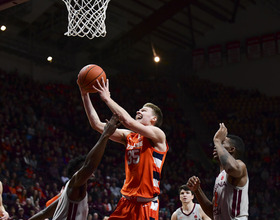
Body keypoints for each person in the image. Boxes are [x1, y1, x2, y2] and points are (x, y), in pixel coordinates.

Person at [79, 78, 169, 220]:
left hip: (145, 205)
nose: (139, 111)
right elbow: (96, 124)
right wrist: (84, 94)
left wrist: (107, 99)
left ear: (153, 119)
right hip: (126, 203)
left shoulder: (157, 134)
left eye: (144, 110)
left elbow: (127, 121)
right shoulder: (129, 136)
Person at [28, 115, 120, 220]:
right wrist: (105, 135)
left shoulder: (66, 193)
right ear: (77, 171)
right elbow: (89, 166)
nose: (92, 172)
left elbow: (45, 213)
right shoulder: (76, 185)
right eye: (84, 170)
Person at [187, 123, 249, 220]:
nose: (216, 146)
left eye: (222, 143)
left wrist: (217, 140)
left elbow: (231, 168)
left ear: (232, 149)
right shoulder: (220, 177)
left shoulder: (240, 165)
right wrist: (197, 190)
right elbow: (213, 213)